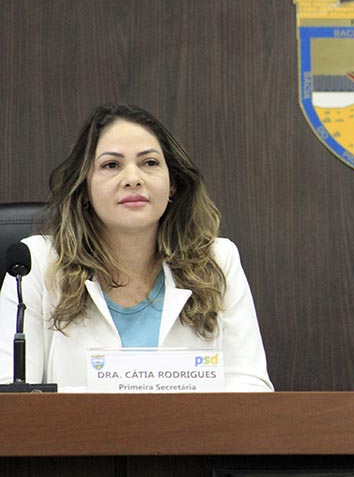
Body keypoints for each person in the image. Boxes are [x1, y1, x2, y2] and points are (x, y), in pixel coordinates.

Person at [0, 104, 274, 392]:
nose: (133, 178)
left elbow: (250, 385)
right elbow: (9, 394)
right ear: (84, 190)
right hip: (77, 427)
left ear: (172, 184)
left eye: (150, 163)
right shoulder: (35, 265)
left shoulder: (217, 260)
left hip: (195, 426)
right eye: (111, 165)